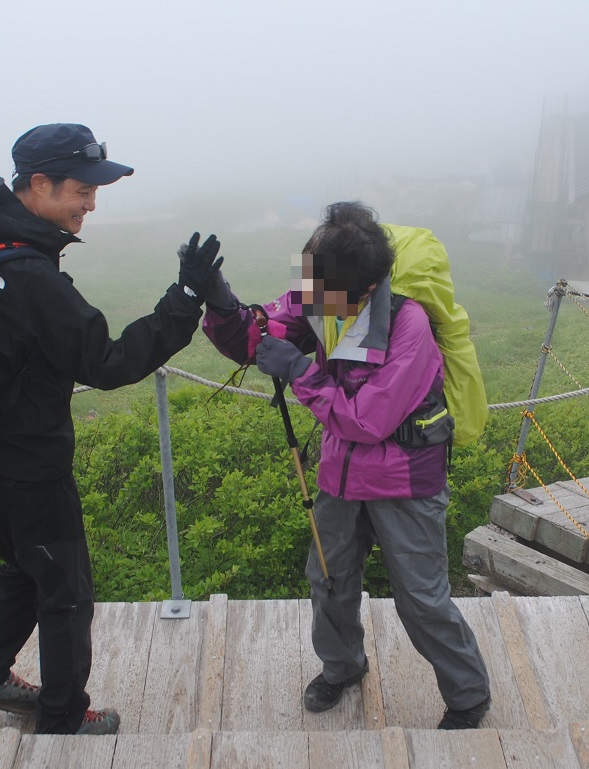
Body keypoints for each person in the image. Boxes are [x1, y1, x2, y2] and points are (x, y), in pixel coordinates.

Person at [0, 123, 223, 735]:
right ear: (38, 184)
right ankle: (63, 720)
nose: (91, 203)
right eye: (81, 189)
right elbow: (107, 362)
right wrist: (185, 296)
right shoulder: (28, 276)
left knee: (25, 567)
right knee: (66, 591)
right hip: (26, 465)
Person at [200, 201, 491, 729]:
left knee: (422, 600)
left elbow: (367, 420)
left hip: (406, 480)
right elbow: (259, 338)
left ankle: (468, 695)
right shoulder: (322, 288)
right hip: (340, 474)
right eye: (307, 280)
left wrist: (299, 372)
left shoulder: (410, 326)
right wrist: (221, 304)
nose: (309, 297)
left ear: (364, 290)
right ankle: (343, 666)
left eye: (318, 290)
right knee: (329, 579)